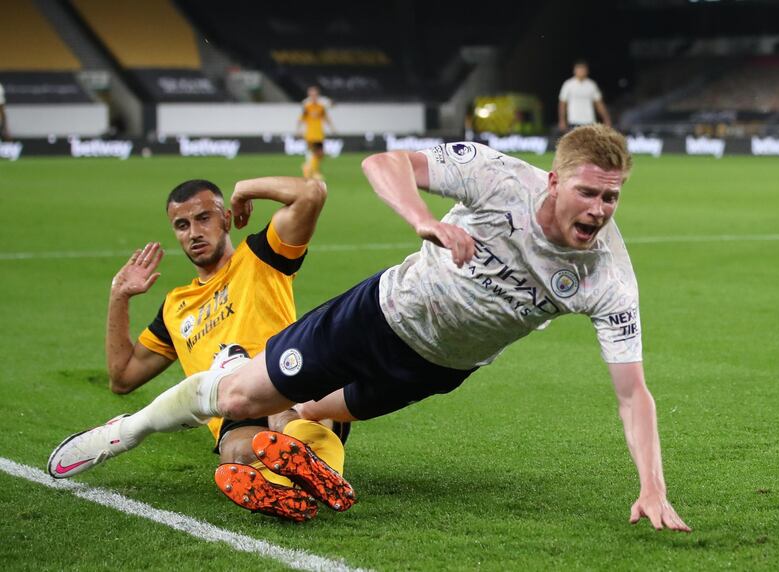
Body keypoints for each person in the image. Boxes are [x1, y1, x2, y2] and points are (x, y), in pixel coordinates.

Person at [49, 125, 690, 532]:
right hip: (378, 317)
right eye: (589, 193)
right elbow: (383, 163)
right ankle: (126, 432)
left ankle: (267, 454)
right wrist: (424, 220)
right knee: (243, 396)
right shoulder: (498, 178)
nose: (600, 211)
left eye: (612, 198)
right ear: (555, 180)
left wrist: (653, 490)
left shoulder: (610, 278)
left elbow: (633, 394)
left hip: (436, 371)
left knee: (309, 412)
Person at [95, 176, 352, 521]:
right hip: (233, 407)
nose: (194, 233)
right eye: (181, 225)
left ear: (226, 219)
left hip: (287, 376)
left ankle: (297, 472)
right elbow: (122, 377)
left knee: (288, 415)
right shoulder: (175, 307)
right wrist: (119, 296)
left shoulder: (261, 256)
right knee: (235, 454)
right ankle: (293, 483)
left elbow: (311, 192)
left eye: (204, 218)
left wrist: (245, 189)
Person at [558, 60, 612, 132]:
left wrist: (606, 119)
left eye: (583, 69)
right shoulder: (568, 84)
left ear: (587, 71)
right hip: (573, 120)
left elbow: (599, 104)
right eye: (579, 69)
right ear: (574, 70)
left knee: (590, 142)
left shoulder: (592, 84)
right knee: (575, 142)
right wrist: (562, 120)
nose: (581, 71)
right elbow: (562, 104)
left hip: (589, 120)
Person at [297, 85, 334, 180]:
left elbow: (326, 116)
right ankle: (313, 172)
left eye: (315, 94)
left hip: (319, 133)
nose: (313, 96)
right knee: (316, 153)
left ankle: (308, 168)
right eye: (311, 94)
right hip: (310, 133)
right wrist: (299, 130)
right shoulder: (307, 106)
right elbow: (301, 118)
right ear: (309, 95)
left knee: (319, 154)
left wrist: (332, 127)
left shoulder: (321, 106)